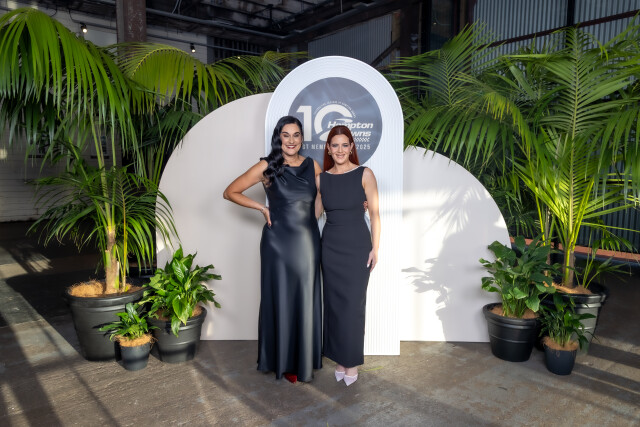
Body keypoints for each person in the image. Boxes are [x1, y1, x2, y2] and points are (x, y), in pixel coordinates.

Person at [223, 116, 323, 383]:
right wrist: (262, 208)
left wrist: (311, 220)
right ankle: (283, 360)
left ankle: (303, 358)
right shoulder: (267, 166)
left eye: (296, 135)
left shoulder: (313, 165)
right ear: (278, 137)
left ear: (302, 138)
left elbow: (323, 195)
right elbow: (230, 192)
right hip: (277, 243)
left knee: (304, 296)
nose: (291, 140)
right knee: (280, 296)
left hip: (307, 240)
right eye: (286, 135)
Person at [316, 125, 381, 386]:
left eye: (345, 145)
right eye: (335, 145)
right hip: (330, 248)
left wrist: (375, 248)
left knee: (353, 306)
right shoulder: (322, 180)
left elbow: (375, 214)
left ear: (351, 147)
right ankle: (339, 360)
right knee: (334, 306)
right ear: (328, 149)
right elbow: (313, 215)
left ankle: (351, 362)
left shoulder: (365, 174)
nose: (340, 150)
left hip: (357, 247)